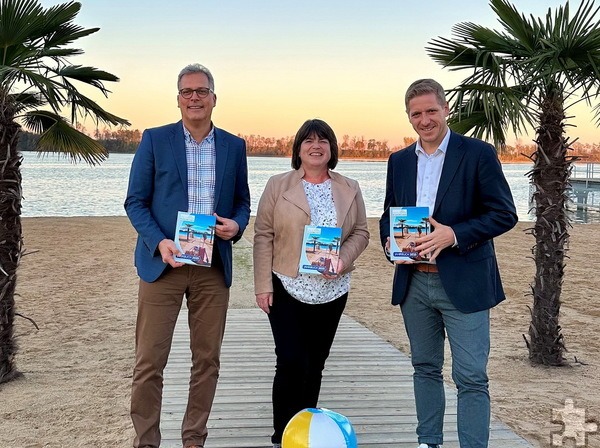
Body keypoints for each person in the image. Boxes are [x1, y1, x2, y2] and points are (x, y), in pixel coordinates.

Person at [379, 79, 517, 448]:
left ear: (446, 109)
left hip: (465, 282)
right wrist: (389, 242)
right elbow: (388, 215)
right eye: (416, 114)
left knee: (471, 376)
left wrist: (452, 234)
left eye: (431, 111)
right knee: (424, 368)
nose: (424, 120)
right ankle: (429, 442)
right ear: (408, 118)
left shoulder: (478, 154)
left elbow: (504, 214)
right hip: (413, 284)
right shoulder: (399, 161)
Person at [124, 63, 251, 448]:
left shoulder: (234, 145)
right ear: (178, 98)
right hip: (164, 265)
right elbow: (135, 202)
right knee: (149, 363)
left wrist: (236, 225)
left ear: (214, 97)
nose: (194, 97)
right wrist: (159, 242)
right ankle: (146, 440)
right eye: (186, 92)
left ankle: (193, 437)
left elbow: (243, 202)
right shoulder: (155, 139)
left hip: (212, 268)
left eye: (201, 91)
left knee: (207, 361)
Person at [254, 119, 370, 448]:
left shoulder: (350, 187)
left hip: (332, 291)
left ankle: (305, 435)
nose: (316, 145)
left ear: (332, 149)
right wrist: (263, 285)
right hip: (287, 285)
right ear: (298, 149)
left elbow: (361, 232)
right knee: (290, 361)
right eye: (308, 140)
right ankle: (282, 437)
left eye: (323, 140)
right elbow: (264, 235)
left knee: (315, 364)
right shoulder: (279, 185)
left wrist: (342, 260)